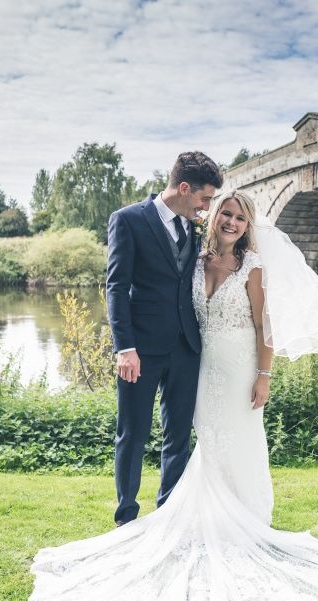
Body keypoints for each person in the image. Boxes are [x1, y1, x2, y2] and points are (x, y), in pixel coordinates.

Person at [30, 191, 318, 601]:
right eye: (226, 214)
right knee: (208, 445)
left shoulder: (252, 268)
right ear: (213, 217)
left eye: (239, 218)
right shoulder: (195, 259)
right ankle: (195, 520)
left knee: (240, 445)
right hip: (200, 365)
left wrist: (264, 375)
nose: (232, 222)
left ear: (249, 227)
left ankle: (246, 527)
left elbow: (263, 326)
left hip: (239, 368)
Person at [105, 151, 223, 526]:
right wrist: (125, 348)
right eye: (205, 198)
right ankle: (126, 517)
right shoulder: (128, 220)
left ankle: (168, 516)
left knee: (178, 440)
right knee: (133, 434)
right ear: (184, 188)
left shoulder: (195, 226)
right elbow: (116, 287)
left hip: (186, 347)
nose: (207, 208)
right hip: (140, 351)